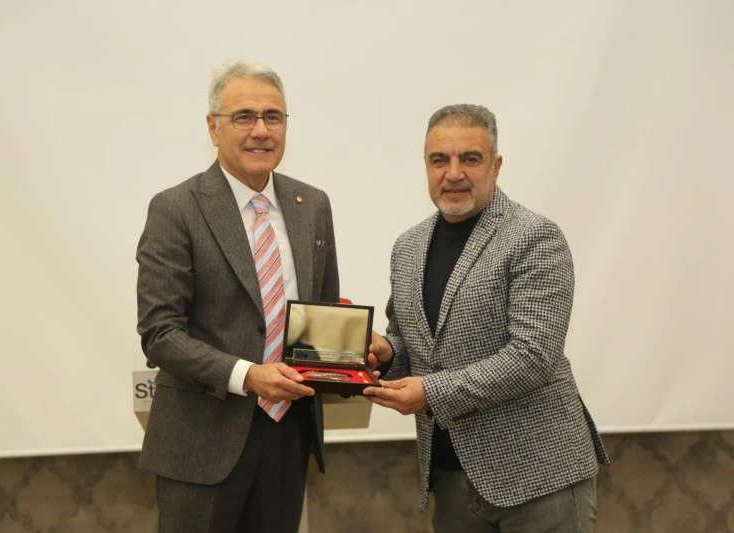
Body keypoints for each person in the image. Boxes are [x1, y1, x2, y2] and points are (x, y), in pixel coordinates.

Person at [363, 104, 609, 532]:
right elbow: (412, 346)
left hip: (541, 480)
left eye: (470, 159)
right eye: (439, 160)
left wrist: (430, 392)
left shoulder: (535, 236)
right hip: (451, 483)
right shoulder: (407, 247)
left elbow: (533, 356)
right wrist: (386, 354)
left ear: (496, 166)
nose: (453, 173)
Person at [136, 59, 339, 532]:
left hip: (288, 434)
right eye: (243, 116)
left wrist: (352, 355)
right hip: (200, 442)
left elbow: (324, 313)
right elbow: (160, 333)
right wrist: (249, 375)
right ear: (213, 128)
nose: (261, 131)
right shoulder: (176, 208)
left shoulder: (312, 205)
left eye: (273, 117)